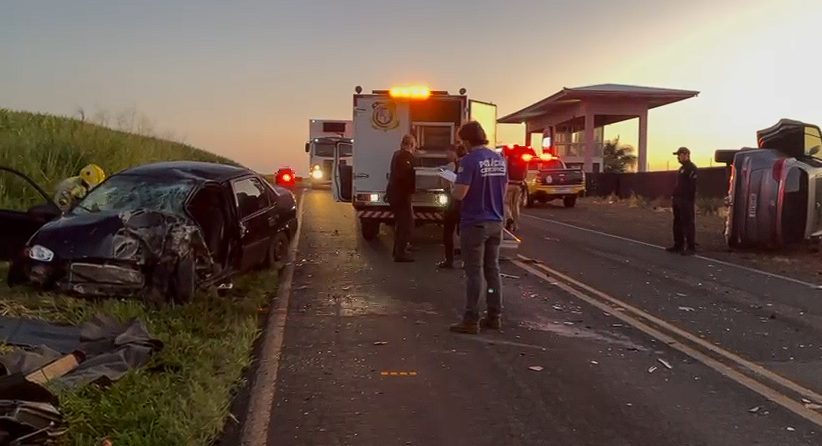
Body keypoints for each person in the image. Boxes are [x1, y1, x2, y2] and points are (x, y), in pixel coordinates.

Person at [449, 121, 507, 334]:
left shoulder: (469, 161)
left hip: (475, 223)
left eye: (460, 140)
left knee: (474, 272)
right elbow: (504, 188)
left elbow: (460, 193)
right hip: (496, 221)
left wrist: (451, 186)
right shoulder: (499, 159)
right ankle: (494, 316)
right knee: (493, 270)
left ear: (466, 140)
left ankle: (471, 319)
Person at [385, 134, 417, 262]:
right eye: (414, 145)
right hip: (401, 195)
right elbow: (404, 177)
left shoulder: (396, 154)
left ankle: (398, 250)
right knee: (406, 225)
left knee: (401, 224)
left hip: (395, 194)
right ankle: (400, 253)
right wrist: (413, 188)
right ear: (410, 145)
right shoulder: (406, 156)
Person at [437, 144, 467, 269]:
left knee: (448, 232)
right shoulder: (467, 165)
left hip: (452, 202)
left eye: (448, 153)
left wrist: (443, 176)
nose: (447, 155)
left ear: (455, 153)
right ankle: (466, 261)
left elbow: (445, 184)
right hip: (464, 204)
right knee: (463, 233)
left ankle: (449, 260)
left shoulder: (451, 166)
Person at [667, 147, 698, 256]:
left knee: (688, 223)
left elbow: (692, 186)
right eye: (678, 155)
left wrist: (688, 199)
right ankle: (678, 245)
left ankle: (691, 247)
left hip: (686, 200)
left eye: (679, 155)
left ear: (686, 155)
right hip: (678, 199)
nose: (678, 157)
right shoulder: (681, 169)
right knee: (677, 223)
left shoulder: (691, 168)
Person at [503, 146, 528, 231]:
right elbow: (525, 174)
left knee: (505, 203)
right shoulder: (523, 160)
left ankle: (509, 217)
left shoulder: (508, 158)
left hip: (509, 183)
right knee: (516, 205)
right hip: (519, 184)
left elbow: (505, 171)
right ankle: (516, 225)